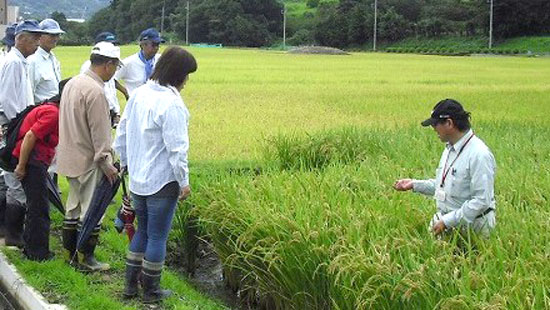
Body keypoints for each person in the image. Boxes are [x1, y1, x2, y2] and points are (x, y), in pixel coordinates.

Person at [114, 46, 197, 303]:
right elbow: (177, 149)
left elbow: (122, 135)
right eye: (186, 75)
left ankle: (130, 287)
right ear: (178, 74)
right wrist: (184, 182)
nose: (186, 82)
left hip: (138, 179)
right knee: (158, 235)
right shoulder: (171, 103)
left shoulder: (138, 94)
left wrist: (126, 165)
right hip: (162, 180)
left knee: (142, 232)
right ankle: (151, 290)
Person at [57, 42, 120, 271]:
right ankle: (86, 259)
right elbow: (100, 134)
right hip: (89, 160)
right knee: (91, 211)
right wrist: (107, 163)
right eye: (114, 67)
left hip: (68, 155)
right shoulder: (96, 92)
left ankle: (69, 255)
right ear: (107, 65)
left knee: (72, 207)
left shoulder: (73, 83)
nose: (114, 72)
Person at [394, 99, 496, 238]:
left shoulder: (479, 154)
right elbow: (443, 186)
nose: (433, 129)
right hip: (445, 223)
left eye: (435, 124)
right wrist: (414, 184)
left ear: (449, 123)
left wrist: (448, 221)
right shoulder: (449, 149)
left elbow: (481, 201)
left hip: (474, 229)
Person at [13, 78, 70, 261]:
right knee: (39, 209)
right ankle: (38, 254)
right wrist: (21, 167)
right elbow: (30, 136)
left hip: (36, 162)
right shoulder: (52, 113)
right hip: (32, 162)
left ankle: (30, 249)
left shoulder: (52, 108)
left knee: (36, 206)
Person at [0, 20, 45, 247]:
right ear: (21, 39)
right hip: (14, 128)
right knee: (15, 179)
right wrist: (20, 127)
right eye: (35, 38)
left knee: (12, 178)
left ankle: (10, 232)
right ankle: (12, 235)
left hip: (17, 126)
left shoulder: (21, 62)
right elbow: (8, 101)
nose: (38, 43)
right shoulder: (14, 63)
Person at [80, 32, 128, 128]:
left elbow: (111, 85)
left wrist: (116, 111)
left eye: (113, 44)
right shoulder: (89, 67)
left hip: (110, 112)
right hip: (99, 111)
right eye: (109, 43)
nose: (112, 46)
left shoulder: (109, 67)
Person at [0, 22, 17, 237]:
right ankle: (5, 227)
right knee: (5, 174)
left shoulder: (8, 61)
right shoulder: (10, 63)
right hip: (7, 120)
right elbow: (7, 98)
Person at [115, 28, 164, 96]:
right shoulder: (129, 62)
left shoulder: (161, 60)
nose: (156, 48)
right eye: (153, 45)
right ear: (143, 45)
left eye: (158, 45)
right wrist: (125, 92)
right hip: (136, 103)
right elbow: (112, 79)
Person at [28, 19, 64, 104]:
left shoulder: (53, 58)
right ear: (39, 36)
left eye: (57, 35)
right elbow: (29, 93)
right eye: (51, 35)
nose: (55, 38)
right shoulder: (33, 60)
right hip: (41, 110)